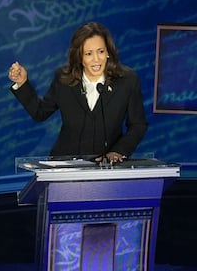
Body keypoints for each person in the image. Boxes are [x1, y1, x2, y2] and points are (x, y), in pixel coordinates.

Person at [8, 21, 148, 164]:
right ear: (80, 57)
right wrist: (22, 83)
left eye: (101, 51)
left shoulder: (127, 80)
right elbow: (40, 112)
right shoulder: (64, 79)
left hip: (106, 166)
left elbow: (138, 124)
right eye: (88, 53)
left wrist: (118, 151)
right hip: (65, 165)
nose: (96, 59)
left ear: (108, 53)